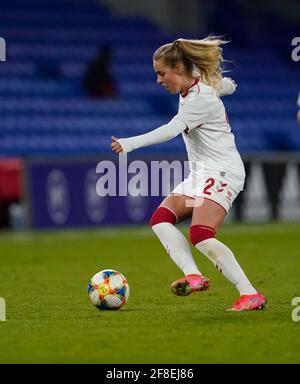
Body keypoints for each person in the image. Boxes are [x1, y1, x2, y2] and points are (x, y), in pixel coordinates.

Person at [111, 36, 267, 312]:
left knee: (201, 234)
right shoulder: (198, 83)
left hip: (223, 171)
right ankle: (193, 275)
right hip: (201, 172)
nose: (159, 80)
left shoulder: (199, 98)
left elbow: (171, 130)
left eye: (161, 73)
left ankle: (250, 294)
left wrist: (130, 143)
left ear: (178, 69)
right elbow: (223, 85)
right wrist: (228, 86)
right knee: (161, 220)